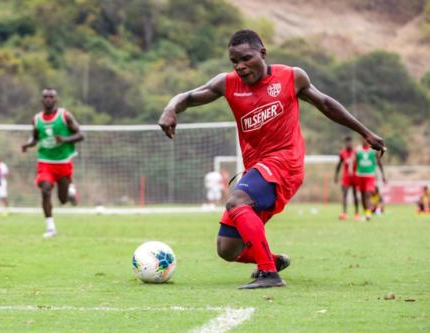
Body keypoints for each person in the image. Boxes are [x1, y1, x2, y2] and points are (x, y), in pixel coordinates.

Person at [158, 29, 386, 289]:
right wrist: (170, 108)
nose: (240, 67)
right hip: (256, 168)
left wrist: (365, 133)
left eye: (246, 59)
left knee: (237, 200)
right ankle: (273, 260)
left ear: (262, 53)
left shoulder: (291, 77)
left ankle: (269, 274)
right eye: (234, 62)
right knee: (227, 249)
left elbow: (326, 104)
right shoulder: (227, 83)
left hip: (285, 161)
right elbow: (187, 97)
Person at [21, 88, 84, 238]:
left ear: (55, 100)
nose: (48, 99)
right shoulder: (36, 119)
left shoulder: (65, 116)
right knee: (45, 189)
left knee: (62, 200)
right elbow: (36, 138)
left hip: (63, 162)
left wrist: (64, 139)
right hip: (45, 162)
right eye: (45, 97)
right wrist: (28, 145)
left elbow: (81, 134)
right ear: (42, 100)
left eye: (51, 97)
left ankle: (69, 192)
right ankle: (50, 228)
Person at [355, 137, 386, 221]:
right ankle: (366, 213)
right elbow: (355, 163)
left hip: (370, 176)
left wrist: (383, 175)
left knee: (367, 194)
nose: (365, 141)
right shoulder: (358, 150)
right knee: (362, 195)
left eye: (366, 139)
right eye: (363, 139)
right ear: (361, 140)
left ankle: (368, 214)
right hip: (360, 175)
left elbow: (379, 163)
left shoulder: (373, 151)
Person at [334, 136, 360, 221]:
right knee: (344, 195)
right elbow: (339, 164)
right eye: (347, 142)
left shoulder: (356, 152)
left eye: (350, 142)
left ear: (352, 143)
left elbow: (360, 163)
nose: (349, 144)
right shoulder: (342, 153)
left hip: (355, 176)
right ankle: (344, 213)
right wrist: (336, 175)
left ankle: (356, 214)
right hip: (346, 177)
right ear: (345, 143)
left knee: (355, 195)